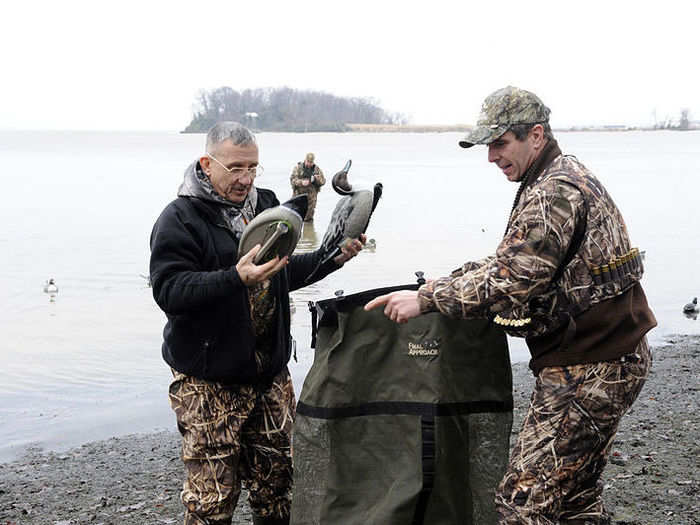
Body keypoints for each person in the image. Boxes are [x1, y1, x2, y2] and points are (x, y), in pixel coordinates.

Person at [365, 86, 657, 525]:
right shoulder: (559, 174)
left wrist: (425, 299)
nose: (491, 157)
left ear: (535, 135)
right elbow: (512, 259)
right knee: (575, 499)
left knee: (522, 503)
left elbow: (511, 280)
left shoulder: (553, 191)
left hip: (592, 365)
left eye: (500, 143)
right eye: (488, 145)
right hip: (611, 355)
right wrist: (449, 281)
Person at [149, 122, 364, 525]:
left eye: (252, 167)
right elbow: (169, 291)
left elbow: (283, 273)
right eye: (235, 167)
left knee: (279, 490)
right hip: (208, 383)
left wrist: (332, 258)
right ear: (206, 163)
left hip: (268, 377)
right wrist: (236, 278)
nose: (245, 179)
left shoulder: (267, 205)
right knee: (211, 504)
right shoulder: (180, 218)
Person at [290, 152, 325, 221]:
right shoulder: (298, 168)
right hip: (298, 196)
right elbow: (292, 180)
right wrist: (301, 182)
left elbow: (323, 181)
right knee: (295, 216)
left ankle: (308, 230)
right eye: (308, 162)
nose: (309, 164)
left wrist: (316, 179)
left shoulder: (317, 170)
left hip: (311, 199)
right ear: (305, 160)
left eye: (311, 162)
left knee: (308, 219)